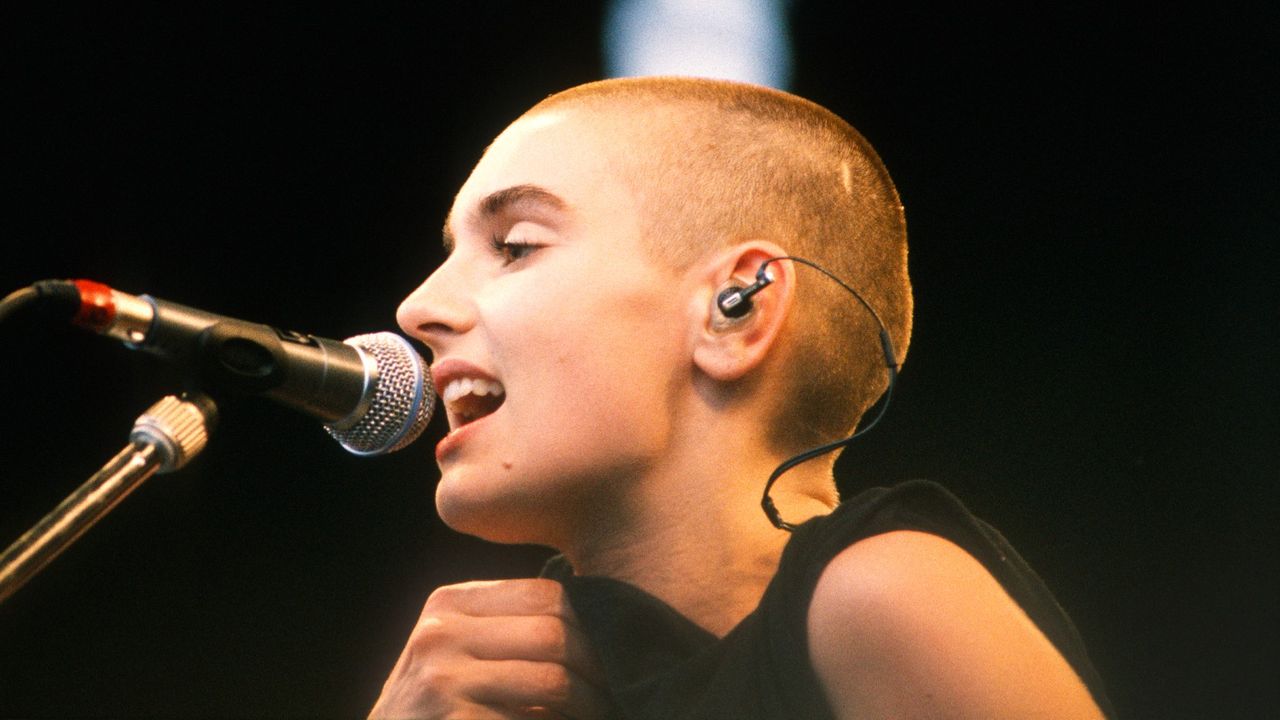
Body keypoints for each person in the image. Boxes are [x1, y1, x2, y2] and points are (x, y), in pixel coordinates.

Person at [372, 77, 1113, 719]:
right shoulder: (490, 688)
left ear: (738, 309)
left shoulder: (881, 594)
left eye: (515, 246)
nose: (416, 309)